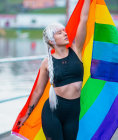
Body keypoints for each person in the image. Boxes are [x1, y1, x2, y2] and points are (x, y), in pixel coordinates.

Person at [16, 0, 90, 139]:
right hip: (52, 112)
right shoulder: (47, 62)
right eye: (59, 33)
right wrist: (26, 114)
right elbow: (38, 90)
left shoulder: (77, 50)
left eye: (64, 31)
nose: (65, 33)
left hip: (73, 112)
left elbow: (83, 19)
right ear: (51, 40)